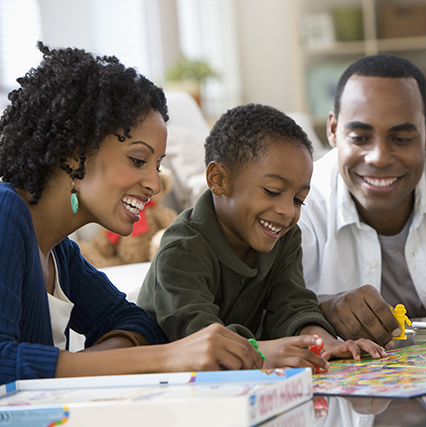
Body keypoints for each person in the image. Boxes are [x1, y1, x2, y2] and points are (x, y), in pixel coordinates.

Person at [0, 43, 266, 385]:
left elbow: (137, 323)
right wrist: (167, 357)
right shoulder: (6, 214)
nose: (154, 184)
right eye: (138, 160)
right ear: (72, 153)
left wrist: (93, 365)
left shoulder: (58, 251)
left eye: (158, 166)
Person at [137, 103, 385, 372]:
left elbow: (292, 304)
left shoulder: (284, 238)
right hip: (170, 389)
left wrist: (321, 342)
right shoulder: (182, 249)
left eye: (299, 200)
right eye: (272, 191)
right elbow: (197, 337)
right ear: (218, 179)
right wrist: (263, 351)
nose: (287, 211)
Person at [299, 54, 426, 349]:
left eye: (401, 138)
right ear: (333, 130)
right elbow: (268, 310)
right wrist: (323, 309)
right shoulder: (301, 202)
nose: (378, 157)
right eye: (359, 137)